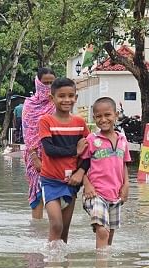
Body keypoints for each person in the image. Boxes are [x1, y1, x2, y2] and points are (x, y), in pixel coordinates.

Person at [38, 77, 90, 245]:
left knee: (65, 230)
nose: (66, 100)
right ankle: (51, 262)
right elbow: (49, 150)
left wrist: (81, 172)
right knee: (56, 225)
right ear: (52, 98)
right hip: (50, 182)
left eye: (70, 96)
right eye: (61, 96)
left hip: (72, 183)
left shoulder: (80, 123)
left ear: (76, 97)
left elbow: (89, 153)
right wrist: (74, 150)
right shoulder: (46, 121)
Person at [81, 97, 131, 249]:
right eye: (98, 116)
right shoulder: (91, 139)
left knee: (109, 238)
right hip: (95, 194)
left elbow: (123, 165)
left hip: (115, 195)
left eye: (107, 115)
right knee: (103, 231)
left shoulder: (122, 140)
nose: (103, 119)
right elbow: (81, 165)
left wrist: (126, 185)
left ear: (116, 115)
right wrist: (87, 184)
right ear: (94, 118)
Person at [22, 67, 56, 220]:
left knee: (55, 191)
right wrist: (35, 157)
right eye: (45, 83)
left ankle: (54, 227)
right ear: (38, 83)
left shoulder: (58, 103)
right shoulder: (29, 105)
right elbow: (27, 132)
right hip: (34, 153)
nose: (48, 87)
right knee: (36, 190)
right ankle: (36, 227)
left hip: (55, 152)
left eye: (51, 83)